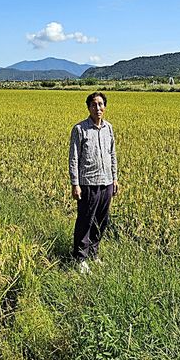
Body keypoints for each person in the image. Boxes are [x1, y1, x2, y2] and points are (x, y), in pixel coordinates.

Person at [68, 91, 119, 273]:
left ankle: (93, 254)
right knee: (85, 220)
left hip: (106, 182)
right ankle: (80, 258)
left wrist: (115, 178)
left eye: (100, 104)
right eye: (94, 105)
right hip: (88, 182)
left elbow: (112, 154)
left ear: (104, 107)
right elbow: (74, 158)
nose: (98, 108)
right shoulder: (80, 129)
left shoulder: (109, 128)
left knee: (101, 221)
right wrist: (75, 183)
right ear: (88, 108)